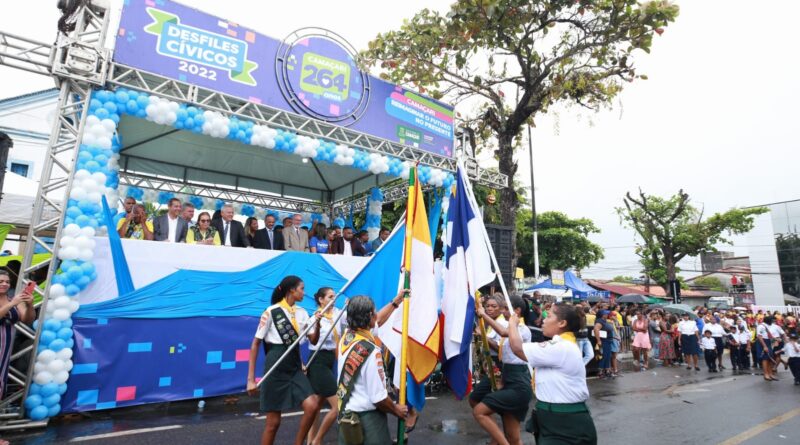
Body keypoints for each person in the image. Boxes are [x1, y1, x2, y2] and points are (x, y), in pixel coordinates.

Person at [508, 303, 598, 445]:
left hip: (565, 422)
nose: (543, 320)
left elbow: (517, 348)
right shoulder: (562, 344)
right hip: (553, 418)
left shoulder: (562, 347)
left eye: (549, 316)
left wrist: (512, 324)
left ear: (562, 323)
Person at [246, 276, 318, 445]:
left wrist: (319, 323)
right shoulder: (271, 311)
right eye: (302, 289)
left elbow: (313, 340)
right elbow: (255, 344)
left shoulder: (302, 313)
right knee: (273, 423)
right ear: (291, 291)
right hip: (276, 363)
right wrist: (250, 379)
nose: (304, 292)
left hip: (293, 365)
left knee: (312, 405)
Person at [336, 295, 408, 445]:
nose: (376, 315)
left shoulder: (347, 337)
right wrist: (396, 410)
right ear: (369, 316)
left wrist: (395, 301)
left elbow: (379, 320)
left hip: (347, 416)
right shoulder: (370, 351)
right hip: (368, 420)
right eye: (374, 312)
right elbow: (379, 398)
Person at [473, 295, 533, 445]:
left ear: (517, 311)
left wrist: (484, 314)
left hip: (519, 382)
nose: (502, 310)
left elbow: (503, 333)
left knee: (480, 411)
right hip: (508, 377)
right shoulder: (510, 327)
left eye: (506, 308)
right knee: (513, 437)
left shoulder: (522, 329)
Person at [306, 287, 343, 445]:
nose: (333, 300)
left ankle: (310, 441)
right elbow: (312, 341)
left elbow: (353, 317)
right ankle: (317, 440)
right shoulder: (313, 318)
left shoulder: (338, 313)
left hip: (330, 360)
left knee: (317, 404)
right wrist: (318, 323)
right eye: (330, 297)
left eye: (334, 297)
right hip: (318, 360)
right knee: (337, 406)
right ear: (321, 300)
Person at [0, 271, 35, 397]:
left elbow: (27, 319)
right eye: (1, 281)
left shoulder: (14, 299)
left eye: (7, 282)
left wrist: (30, 304)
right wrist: (11, 304)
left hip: (6, 345)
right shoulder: (13, 301)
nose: (5, 284)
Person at [756, 316, 778, 381]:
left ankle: (770, 373)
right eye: (772, 320)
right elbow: (759, 336)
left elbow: (769, 335)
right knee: (765, 358)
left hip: (768, 341)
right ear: (769, 320)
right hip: (763, 342)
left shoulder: (768, 326)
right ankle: (766, 374)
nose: (773, 322)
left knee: (770, 358)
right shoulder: (761, 326)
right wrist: (765, 346)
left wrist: (775, 340)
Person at [594, 310, 614, 379]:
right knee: (604, 356)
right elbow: (596, 329)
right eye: (606, 314)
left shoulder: (604, 321)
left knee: (608, 356)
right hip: (604, 341)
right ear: (603, 315)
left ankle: (607, 371)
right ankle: (601, 372)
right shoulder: (599, 321)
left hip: (608, 340)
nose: (607, 314)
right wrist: (599, 340)